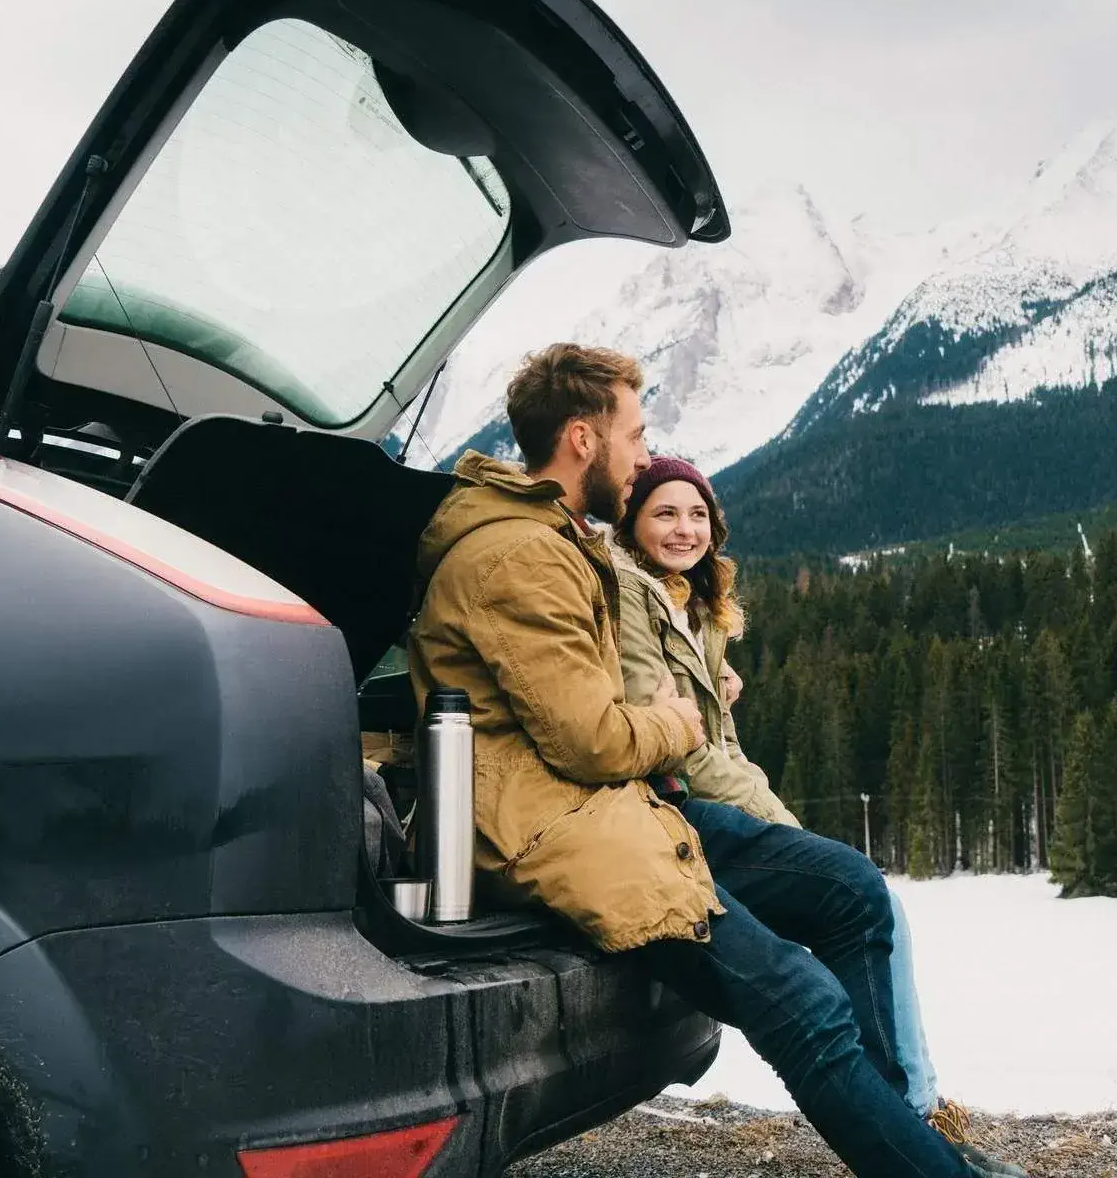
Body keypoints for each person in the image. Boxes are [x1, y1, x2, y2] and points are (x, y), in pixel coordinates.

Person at [408, 343, 1019, 1177]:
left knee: (852, 891)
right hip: (557, 830)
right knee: (801, 1000)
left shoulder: (553, 540)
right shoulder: (519, 556)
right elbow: (590, 739)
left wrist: (671, 704)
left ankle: (911, 1142)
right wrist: (674, 720)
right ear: (583, 438)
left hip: (615, 808)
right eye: (634, 434)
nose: (641, 456)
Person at [610, 455, 985, 1154]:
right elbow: (682, 750)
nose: (684, 528)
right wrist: (781, 826)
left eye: (697, 515)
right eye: (664, 513)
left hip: (705, 808)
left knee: (869, 904)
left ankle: (910, 1116)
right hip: (670, 820)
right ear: (631, 526)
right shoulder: (637, 599)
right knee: (855, 914)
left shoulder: (693, 609)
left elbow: (718, 745)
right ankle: (912, 1117)